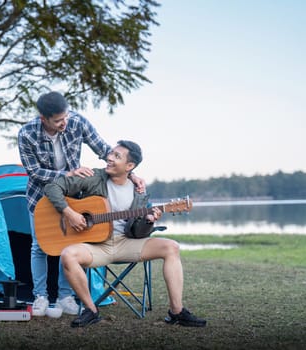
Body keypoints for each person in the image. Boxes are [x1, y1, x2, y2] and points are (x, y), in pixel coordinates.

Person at [43, 140, 207, 328]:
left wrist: (148, 221)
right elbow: (52, 188)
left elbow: (138, 233)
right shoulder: (94, 177)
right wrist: (70, 213)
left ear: (130, 166)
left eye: (116, 156)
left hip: (126, 243)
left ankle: (177, 312)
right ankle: (91, 310)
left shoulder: (139, 193)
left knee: (171, 247)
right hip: (96, 246)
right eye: (111, 154)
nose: (109, 158)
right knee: (68, 255)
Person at [17, 92, 145, 316]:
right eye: (58, 120)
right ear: (43, 118)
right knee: (39, 247)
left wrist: (132, 173)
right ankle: (41, 296)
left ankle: (66, 296)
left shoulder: (77, 122)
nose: (64, 123)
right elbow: (34, 172)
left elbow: (105, 150)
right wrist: (67, 173)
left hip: (74, 197)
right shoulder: (27, 134)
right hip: (39, 197)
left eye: (65, 117)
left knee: (70, 245)